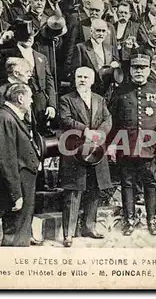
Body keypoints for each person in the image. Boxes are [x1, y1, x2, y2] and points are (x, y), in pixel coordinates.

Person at [108, 54, 156, 236]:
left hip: (150, 145)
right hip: (126, 143)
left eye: (143, 68)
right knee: (127, 183)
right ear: (130, 70)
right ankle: (129, 220)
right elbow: (112, 119)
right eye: (136, 68)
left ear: (149, 69)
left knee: (150, 183)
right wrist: (111, 143)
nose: (139, 72)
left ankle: (152, 220)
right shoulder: (120, 90)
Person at [59, 67, 113, 247]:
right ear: (75, 79)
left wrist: (100, 133)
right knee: (73, 192)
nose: (82, 80)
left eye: (85, 77)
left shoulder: (100, 99)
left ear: (91, 81)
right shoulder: (66, 99)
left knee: (95, 189)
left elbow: (108, 119)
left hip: (96, 150)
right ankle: (69, 233)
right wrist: (85, 131)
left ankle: (89, 227)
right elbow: (65, 119)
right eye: (79, 76)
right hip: (75, 151)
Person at [0, 83, 41, 247]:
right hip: (17, 184)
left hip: (23, 182)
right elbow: (7, 159)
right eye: (30, 97)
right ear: (20, 98)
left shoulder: (10, 116)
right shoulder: (5, 118)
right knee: (16, 234)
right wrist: (16, 194)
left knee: (20, 232)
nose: (32, 101)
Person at [70, 19, 120, 96]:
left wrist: (116, 64)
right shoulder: (81, 48)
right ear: (91, 31)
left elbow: (117, 65)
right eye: (98, 31)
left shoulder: (110, 48)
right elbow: (75, 72)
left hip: (106, 93)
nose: (101, 34)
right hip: (89, 92)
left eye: (103, 31)